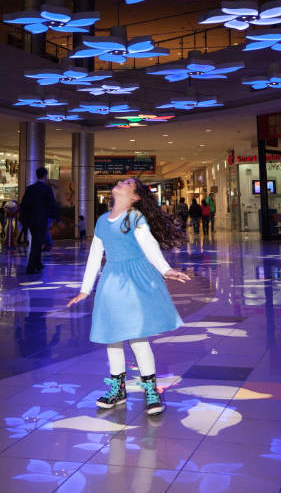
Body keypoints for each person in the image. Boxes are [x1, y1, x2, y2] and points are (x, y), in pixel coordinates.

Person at [67, 177, 190, 415]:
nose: (122, 183)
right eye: (122, 181)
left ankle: (150, 389)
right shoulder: (102, 221)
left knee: (137, 337)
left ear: (135, 197)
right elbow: (95, 255)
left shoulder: (135, 217)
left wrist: (166, 269)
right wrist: (85, 288)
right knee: (112, 337)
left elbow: (150, 246)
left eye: (128, 183)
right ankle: (117, 389)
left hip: (136, 280)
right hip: (112, 281)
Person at [19, 167, 60, 274]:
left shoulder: (30, 189)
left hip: (31, 221)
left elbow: (24, 204)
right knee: (37, 243)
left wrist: (23, 219)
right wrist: (57, 216)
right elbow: (52, 204)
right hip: (41, 221)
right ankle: (31, 267)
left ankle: (38, 264)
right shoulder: (47, 189)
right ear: (45, 176)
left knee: (37, 241)